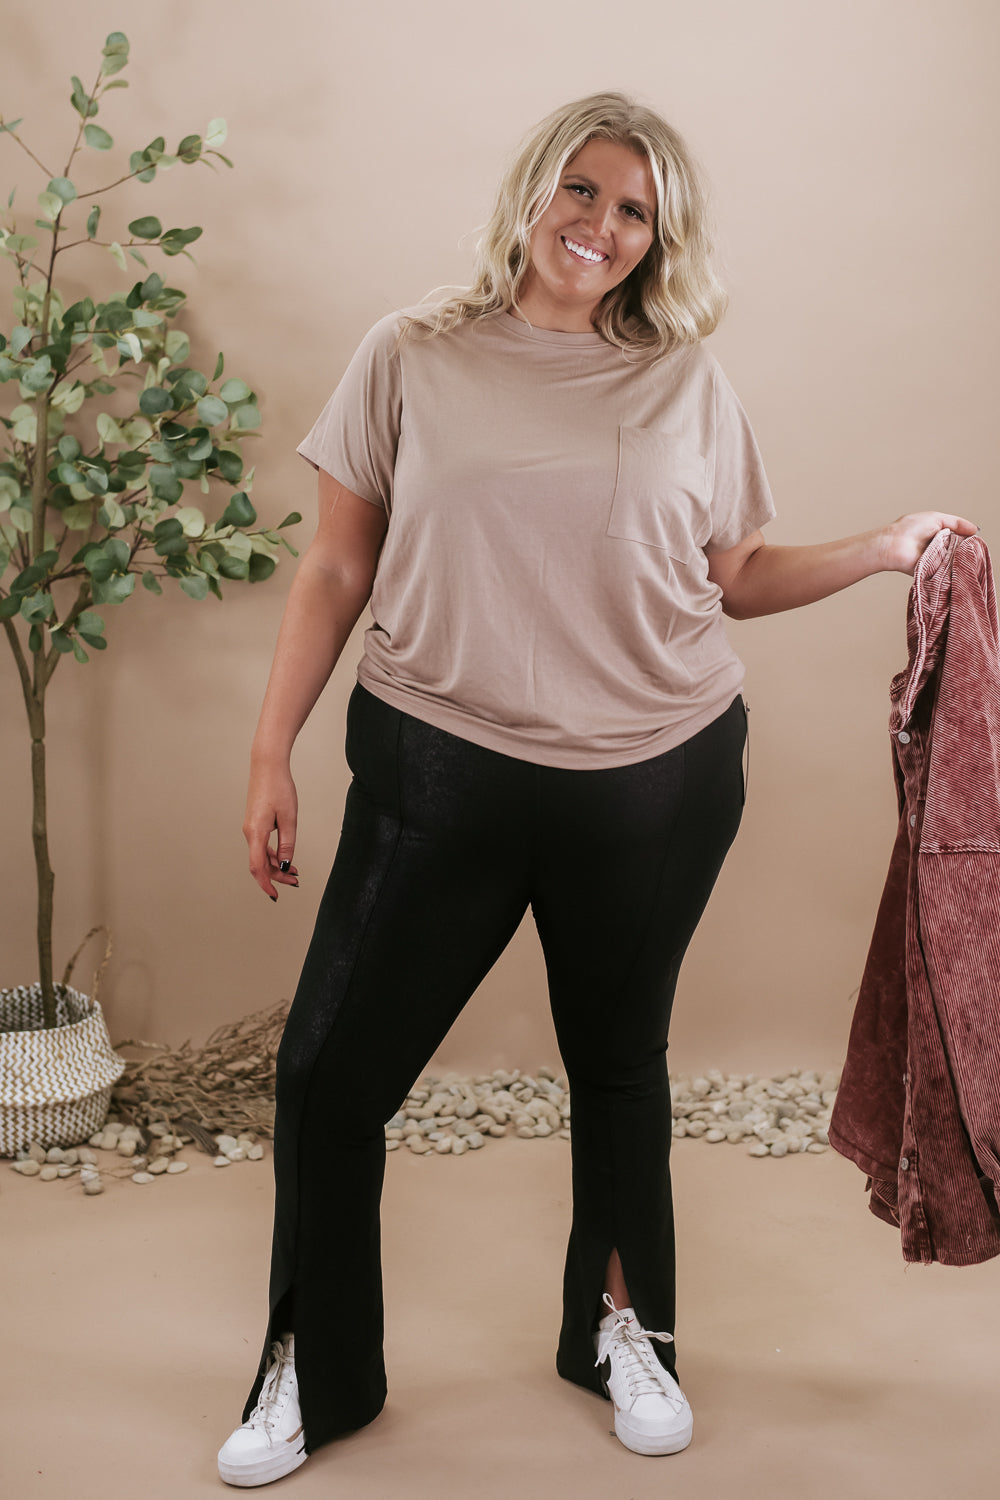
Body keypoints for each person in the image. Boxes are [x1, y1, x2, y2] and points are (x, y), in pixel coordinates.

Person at [216, 91, 977, 1487]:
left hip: (654, 780)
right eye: (583, 190)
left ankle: (627, 1331)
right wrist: (272, 750)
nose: (602, 226)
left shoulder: (683, 381)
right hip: (435, 764)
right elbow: (335, 564)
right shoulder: (410, 353)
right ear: (535, 189)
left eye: (635, 211)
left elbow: (736, 576)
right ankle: (313, 1367)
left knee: (619, 1065)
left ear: (656, 238)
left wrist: (884, 545)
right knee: (328, 1074)